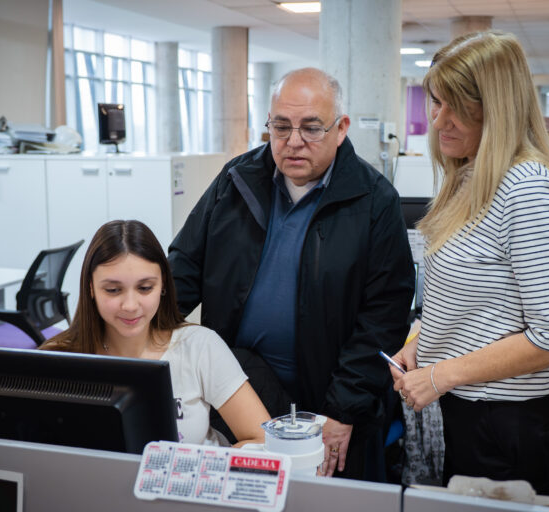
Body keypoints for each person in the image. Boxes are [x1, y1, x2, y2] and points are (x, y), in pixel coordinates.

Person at [169, 67, 415, 480]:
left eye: (312, 128)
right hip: (239, 392)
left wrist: (343, 408)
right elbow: (184, 267)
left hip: (328, 403)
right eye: (281, 126)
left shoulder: (374, 201)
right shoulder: (236, 180)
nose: (293, 141)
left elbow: (383, 316)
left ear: (341, 129)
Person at [389, 31, 549, 496]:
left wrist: (441, 373)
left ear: (495, 108)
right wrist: (423, 342)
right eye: (435, 103)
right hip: (466, 411)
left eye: (454, 106)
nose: (438, 121)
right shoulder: (470, 175)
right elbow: (475, 303)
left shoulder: (528, 188)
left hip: (507, 425)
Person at [41, 220, 270, 447]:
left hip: (190, 481)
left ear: (163, 286)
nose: (130, 305)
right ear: (91, 288)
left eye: (145, 288)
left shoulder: (200, 347)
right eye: (113, 290)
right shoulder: (59, 357)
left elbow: (262, 439)